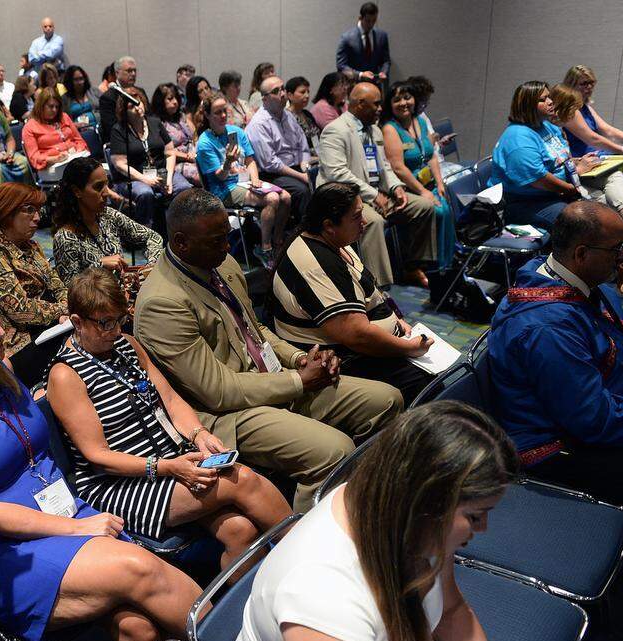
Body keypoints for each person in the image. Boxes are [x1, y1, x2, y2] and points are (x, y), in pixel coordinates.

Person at [0, 272, 205, 641]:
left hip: (60, 511)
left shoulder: (1, 372)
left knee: (137, 627)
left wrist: (77, 521)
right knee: (142, 569)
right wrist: (77, 528)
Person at [134, 189, 404, 512]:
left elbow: (255, 331)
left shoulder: (221, 263)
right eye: (216, 241)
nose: (226, 247)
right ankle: (305, 544)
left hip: (270, 380)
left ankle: (368, 499)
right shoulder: (162, 303)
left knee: (387, 401)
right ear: (181, 242)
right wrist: (299, 381)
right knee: (335, 450)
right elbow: (217, 391)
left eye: (227, 236)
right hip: (227, 415)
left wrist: (300, 358)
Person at [49, 268, 293, 565]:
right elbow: (98, 456)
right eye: (105, 323)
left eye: (120, 319)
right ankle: (309, 558)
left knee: (239, 530)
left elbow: (171, 401)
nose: (115, 331)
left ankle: (249, 605)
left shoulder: (126, 344)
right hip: (121, 484)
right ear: (77, 322)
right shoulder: (65, 375)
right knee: (243, 480)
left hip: (169, 459)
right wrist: (166, 468)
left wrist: (199, 435)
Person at [239, 401, 517, 641]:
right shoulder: (322, 597)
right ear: (424, 503)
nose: (483, 528)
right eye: (475, 516)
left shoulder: (402, 518)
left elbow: (450, 610)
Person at [488, 200, 623, 568]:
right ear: (581, 253)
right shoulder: (547, 327)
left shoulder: (588, 286)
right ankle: (614, 568)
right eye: (616, 249)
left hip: (606, 414)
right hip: (554, 448)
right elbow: (590, 419)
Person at [271, 182, 435, 403]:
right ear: (329, 225)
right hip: (342, 361)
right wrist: (407, 348)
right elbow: (357, 336)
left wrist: (396, 320)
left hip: (366, 347)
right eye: (357, 217)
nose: (365, 222)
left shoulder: (332, 240)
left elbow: (369, 290)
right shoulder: (317, 265)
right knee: (429, 382)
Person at [318, 82, 435, 288]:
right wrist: (373, 195)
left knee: (423, 207)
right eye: (377, 104)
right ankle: (377, 287)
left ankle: (411, 266)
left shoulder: (374, 130)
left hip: (374, 194)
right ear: (360, 104)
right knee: (372, 222)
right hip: (345, 199)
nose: (381, 108)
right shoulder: (335, 130)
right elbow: (337, 173)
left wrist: (395, 188)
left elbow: (385, 167)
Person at [0, 183, 68, 385]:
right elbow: (21, 311)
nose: (37, 217)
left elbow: (57, 286)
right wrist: (63, 308)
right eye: (29, 210)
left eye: (38, 210)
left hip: (49, 327)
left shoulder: (31, 246)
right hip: (19, 343)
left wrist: (65, 310)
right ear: (7, 213)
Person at [487, 81, 600, 229]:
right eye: (543, 100)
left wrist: (577, 163)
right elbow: (540, 179)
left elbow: (559, 159)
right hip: (524, 203)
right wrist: (572, 190)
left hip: (553, 194)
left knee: (603, 207)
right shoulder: (519, 138)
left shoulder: (547, 126)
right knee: (580, 224)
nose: (550, 102)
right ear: (527, 105)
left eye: (549, 97)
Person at [194, 95, 291, 268]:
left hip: (245, 182)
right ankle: (265, 248)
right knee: (272, 199)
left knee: (286, 197)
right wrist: (228, 162)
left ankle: (277, 242)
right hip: (223, 190)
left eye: (225, 111)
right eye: (218, 112)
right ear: (207, 115)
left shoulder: (236, 132)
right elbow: (220, 177)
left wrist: (255, 179)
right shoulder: (204, 143)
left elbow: (250, 160)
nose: (223, 115)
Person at [52, 157, 165, 284]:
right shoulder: (65, 237)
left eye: (107, 185)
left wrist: (151, 265)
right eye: (98, 187)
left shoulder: (109, 216)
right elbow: (69, 288)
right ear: (77, 191)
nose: (106, 193)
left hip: (120, 293)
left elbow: (153, 237)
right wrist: (99, 265)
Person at [381, 80, 454, 269]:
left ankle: (447, 261)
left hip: (429, 182)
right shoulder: (390, 128)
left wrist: (439, 183)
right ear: (390, 104)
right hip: (408, 186)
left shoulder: (420, 121)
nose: (404, 103)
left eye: (407, 97)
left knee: (447, 206)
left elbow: (431, 156)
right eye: (397, 100)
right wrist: (423, 191)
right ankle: (430, 265)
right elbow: (398, 167)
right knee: (437, 211)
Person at [549, 84, 623, 236]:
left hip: (576, 174)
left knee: (615, 174)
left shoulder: (557, 129)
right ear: (560, 108)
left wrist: (578, 160)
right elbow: (549, 171)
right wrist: (578, 168)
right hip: (567, 183)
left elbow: (562, 160)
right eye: (572, 111)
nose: (574, 116)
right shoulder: (543, 133)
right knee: (602, 199)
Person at [110, 86, 191, 231]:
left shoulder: (155, 122)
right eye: (131, 106)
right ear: (124, 111)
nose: (137, 107)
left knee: (184, 188)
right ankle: (144, 233)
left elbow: (170, 152)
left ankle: (180, 229)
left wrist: (168, 177)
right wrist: (144, 179)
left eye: (138, 102)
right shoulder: (119, 129)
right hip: (134, 177)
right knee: (145, 193)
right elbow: (119, 163)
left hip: (161, 171)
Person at [246, 76, 313, 230]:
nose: (283, 93)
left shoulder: (288, 116)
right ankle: (305, 235)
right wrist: (301, 176)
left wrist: (306, 167)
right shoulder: (259, 124)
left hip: (297, 168)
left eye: (283, 88)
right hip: (272, 175)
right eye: (276, 91)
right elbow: (271, 163)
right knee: (302, 191)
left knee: (324, 183)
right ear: (265, 99)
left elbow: (303, 147)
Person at [561, 65, 623, 160]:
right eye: (584, 83)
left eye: (591, 83)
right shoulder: (569, 109)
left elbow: (608, 131)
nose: (589, 87)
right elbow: (592, 139)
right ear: (571, 85)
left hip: (598, 155)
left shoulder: (585, 107)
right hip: (586, 160)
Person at [22, 88, 88, 181]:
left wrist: (79, 149)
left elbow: (79, 140)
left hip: (73, 158)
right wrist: (54, 159)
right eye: (51, 106)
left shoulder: (64, 117)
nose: (54, 110)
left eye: (57, 107)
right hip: (51, 166)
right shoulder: (30, 127)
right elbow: (34, 158)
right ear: (41, 106)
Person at [151, 83, 201, 187]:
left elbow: (195, 137)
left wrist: (197, 152)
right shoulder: (157, 123)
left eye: (176, 98)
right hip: (176, 162)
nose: (175, 102)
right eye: (170, 99)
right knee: (200, 174)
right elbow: (165, 151)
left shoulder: (181, 116)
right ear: (160, 101)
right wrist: (188, 157)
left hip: (195, 155)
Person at [336, 2, 391, 84]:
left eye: (374, 21)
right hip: (354, 86)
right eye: (368, 21)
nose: (371, 24)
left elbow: (386, 61)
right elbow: (341, 66)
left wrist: (384, 72)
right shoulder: (347, 38)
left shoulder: (382, 36)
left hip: (375, 85)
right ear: (360, 18)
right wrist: (360, 74)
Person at [97, 56, 140, 144]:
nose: (133, 74)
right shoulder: (108, 97)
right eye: (129, 71)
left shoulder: (140, 92)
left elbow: (149, 116)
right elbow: (111, 127)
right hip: (122, 141)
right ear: (117, 73)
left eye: (135, 71)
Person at [285, 76, 322, 156]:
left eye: (308, 92)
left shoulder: (307, 114)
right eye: (302, 92)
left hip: (317, 156)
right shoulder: (286, 117)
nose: (307, 95)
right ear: (290, 95)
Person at [62, 65, 99, 131]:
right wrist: (73, 125)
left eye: (81, 78)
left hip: (98, 127)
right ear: (69, 81)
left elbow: (106, 109)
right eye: (76, 80)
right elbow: (62, 121)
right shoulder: (64, 99)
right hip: (77, 132)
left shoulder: (94, 91)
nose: (80, 82)